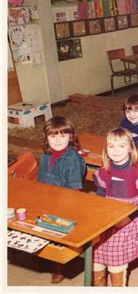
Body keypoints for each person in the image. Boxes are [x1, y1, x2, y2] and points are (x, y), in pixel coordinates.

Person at [92, 128, 138, 286]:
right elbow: (101, 191)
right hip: (109, 210)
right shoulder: (104, 170)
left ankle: (118, 283)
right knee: (96, 245)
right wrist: (99, 210)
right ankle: (99, 282)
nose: (115, 150)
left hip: (133, 211)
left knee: (117, 250)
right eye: (111, 146)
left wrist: (131, 216)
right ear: (105, 149)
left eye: (121, 146)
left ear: (130, 148)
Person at [37, 116, 86, 284]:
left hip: (65, 203)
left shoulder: (72, 159)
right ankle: (44, 251)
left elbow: (74, 190)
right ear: (46, 138)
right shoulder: (45, 155)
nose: (57, 140)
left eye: (62, 135)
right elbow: (41, 179)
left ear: (70, 137)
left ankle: (60, 265)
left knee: (57, 234)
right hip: (46, 198)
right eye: (52, 136)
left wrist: (62, 210)